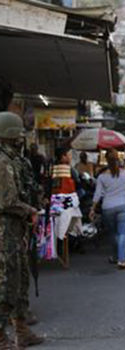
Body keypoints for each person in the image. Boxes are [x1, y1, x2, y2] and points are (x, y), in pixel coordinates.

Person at [0, 111, 45, 348]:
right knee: (7, 281)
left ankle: (20, 329)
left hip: (15, 229)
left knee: (20, 278)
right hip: (5, 230)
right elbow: (7, 201)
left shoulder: (13, 159)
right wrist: (30, 210)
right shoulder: (2, 162)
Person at [90, 148, 125, 270]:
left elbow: (97, 194)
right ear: (118, 159)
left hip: (107, 208)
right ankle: (121, 259)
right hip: (123, 206)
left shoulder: (102, 177)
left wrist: (92, 209)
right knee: (122, 234)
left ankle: (116, 256)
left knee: (113, 233)